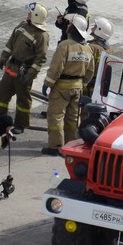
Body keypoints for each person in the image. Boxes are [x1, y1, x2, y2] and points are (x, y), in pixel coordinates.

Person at [0, 2, 49, 132]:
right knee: (1, 97)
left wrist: (30, 74)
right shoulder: (22, 26)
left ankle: (21, 124)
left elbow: (41, 58)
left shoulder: (42, 36)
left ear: (35, 16)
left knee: (23, 100)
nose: (27, 14)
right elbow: (11, 42)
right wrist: (4, 57)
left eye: (30, 13)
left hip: (24, 72)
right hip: (11, 67)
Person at [43, 14, 96, 155]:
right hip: (77, 88)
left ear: (74, 28)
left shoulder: (64, 45)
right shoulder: (88, 49)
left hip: (61, 87)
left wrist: (48, 83)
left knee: (56, 116)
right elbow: (90, 71)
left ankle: (55, 146)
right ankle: (71, 145)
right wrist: (81, 84)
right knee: (73, 118)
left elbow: (56, 68)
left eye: (70, 24)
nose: (67, 25)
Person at [84, 16, 114, 97]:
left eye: (95, 26)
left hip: (88, 87)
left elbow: (85, 67)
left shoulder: (92, 48)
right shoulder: (109, 49)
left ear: (99, 30)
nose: (92, 28)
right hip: (100, 86)